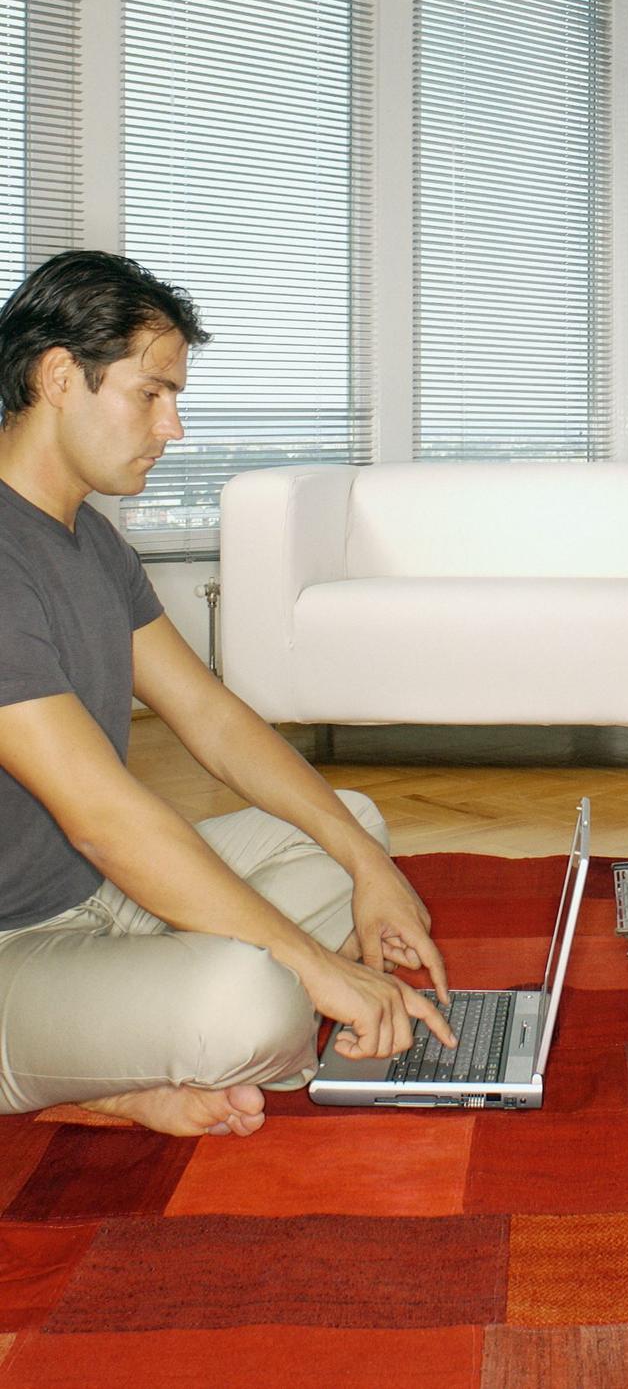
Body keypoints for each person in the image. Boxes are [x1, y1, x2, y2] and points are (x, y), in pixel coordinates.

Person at [0, 250, 453, 1138]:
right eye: (150, 393)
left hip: (99, 894)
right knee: (257, 1004)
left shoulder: (88, 540)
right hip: (14, 942)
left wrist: (371, 871)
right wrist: (317, 969)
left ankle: (123, 1029)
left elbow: (210, 718)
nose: (173, 427)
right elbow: (106, 817)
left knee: (347, 822)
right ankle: (96, 1075)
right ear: (59, 376)